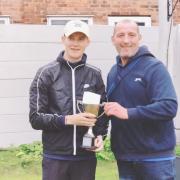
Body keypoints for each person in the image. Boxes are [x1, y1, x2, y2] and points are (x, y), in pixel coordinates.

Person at [29, 20, 108, 180]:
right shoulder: (46, 73)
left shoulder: (95, 74)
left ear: (88, 42)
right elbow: (35, 118)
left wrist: (100, 136)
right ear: (63, 39)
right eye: (72, 38)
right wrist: (68, 120)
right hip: (55, 157)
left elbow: (101, 113)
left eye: (81, 38)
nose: (75, 43)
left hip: (85, 157)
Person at [104, 19, 178, 180]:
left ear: (139, 38)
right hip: (125, 158)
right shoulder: (113, 72)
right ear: (113, 39)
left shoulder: (154, 68)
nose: (126, 40)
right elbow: (110, 109)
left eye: (131, 35)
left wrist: (129, 113)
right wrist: (98, 134)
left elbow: (169, 106)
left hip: (155, 159)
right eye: (120, 35)